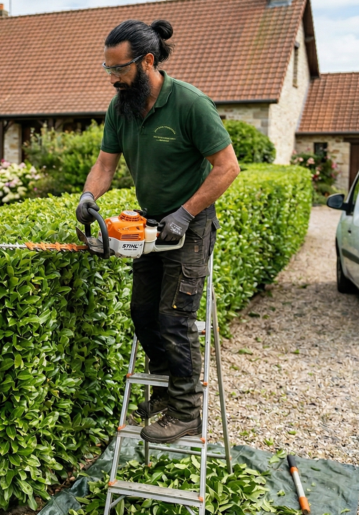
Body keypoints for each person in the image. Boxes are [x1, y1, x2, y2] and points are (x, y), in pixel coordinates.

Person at [76, 19, 240, 443]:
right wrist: (89, 197)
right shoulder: (121, 108)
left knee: (174, 318)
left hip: (191, 225)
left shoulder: (189, 104)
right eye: (108, 69)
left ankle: (187, 411)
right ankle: (168, 393)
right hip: (150, 225)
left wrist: (185, 213)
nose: (113, 78)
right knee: (143, 314)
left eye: (120, 69)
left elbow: (228, 168)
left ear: (147, 61)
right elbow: (105, 165)